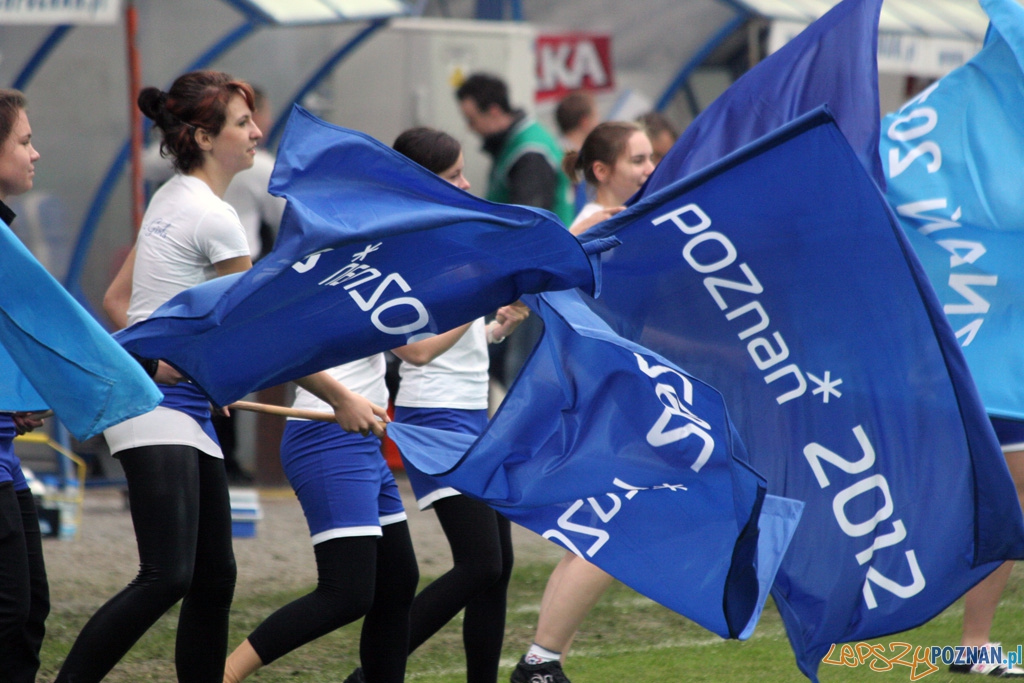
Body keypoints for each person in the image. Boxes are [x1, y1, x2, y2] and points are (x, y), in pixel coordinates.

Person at [56, 70, 385, 683]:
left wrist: (205, 372)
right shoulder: (216, 218)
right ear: (204, 137)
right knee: (168, 576)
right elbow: (262, 335)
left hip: (173, 404)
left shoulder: (171, 197)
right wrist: (342, 397)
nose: (258, 131)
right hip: (155, 410)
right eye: (242, 123)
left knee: (213, 577)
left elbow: (118, 302)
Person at [510, 121, 654, 683]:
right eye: (637, 160)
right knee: (615, 531)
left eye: (651, 158)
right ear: (602, 171)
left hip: (611, 396)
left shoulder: (614, 223)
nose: (649, 170)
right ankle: (541, 661)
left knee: (591, 535)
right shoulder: (601, 225)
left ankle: (548, 663)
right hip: (605, 399)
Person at [389, 127, 527, 683]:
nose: (468, 184)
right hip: (433, 418)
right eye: (453, 177)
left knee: (499, 568)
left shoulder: (444, 238)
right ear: (421, 184)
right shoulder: (398, 249)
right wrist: (477, 301)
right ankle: (371, 670)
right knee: (480, 564)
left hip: (472, 416)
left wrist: (494, 327)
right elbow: (416, 350)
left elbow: (451, 335)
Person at [455, 73, 573, 388]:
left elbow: (529, 225)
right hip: (528, 279)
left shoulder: (528, 153)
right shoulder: (514, 144)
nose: (471, 128)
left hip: (537, 281)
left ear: (494, 111)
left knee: (522, 375)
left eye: (472, 119)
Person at [0, 87, 50, 683]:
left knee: (30, 610)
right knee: (9, 609)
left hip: (8, 457)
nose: (35, 154)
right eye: (23, 141)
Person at [951, 417, 1024, 678]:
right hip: (998, 393)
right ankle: (974, 644)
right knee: (1012, 497)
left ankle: (975, 644)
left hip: (1000, 390)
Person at [555, 90, 599, 214]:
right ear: (585, 122)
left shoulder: (555, 150)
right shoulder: (570, 159)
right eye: (595, 117)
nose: (598, 123)